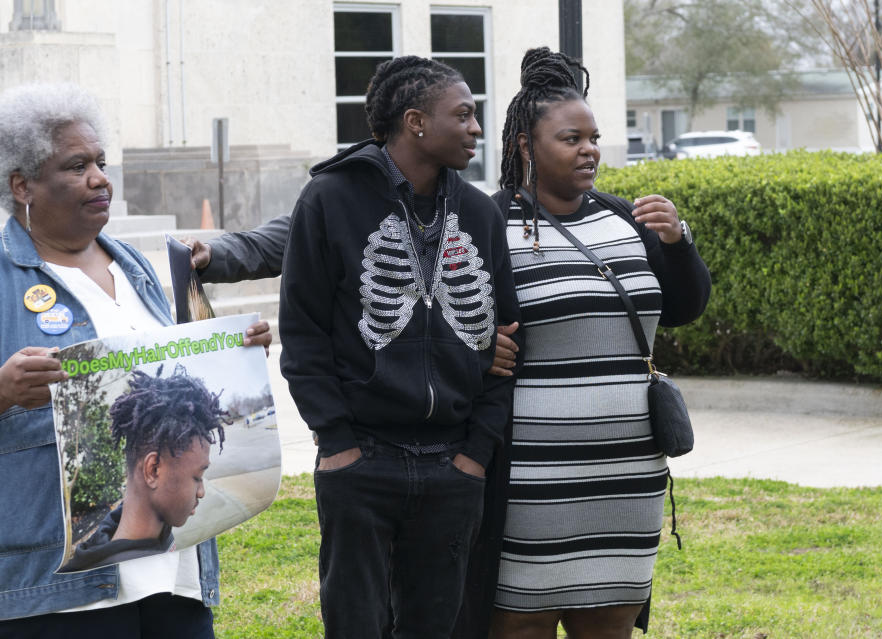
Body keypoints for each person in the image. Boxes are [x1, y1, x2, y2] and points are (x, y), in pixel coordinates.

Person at [0, 83, 270, 637]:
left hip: (174, 570)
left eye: (101, 161)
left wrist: (231, 349)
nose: (101, 178)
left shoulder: (138, 268)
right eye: (77, 166)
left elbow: (173, 381)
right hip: (63, 593)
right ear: (22, 184)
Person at [278, 56, 522, 639]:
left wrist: (476, 454)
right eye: (462, 115)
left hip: (453, 464)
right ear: (415, 121)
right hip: (362, 459)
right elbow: (303, 333)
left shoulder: (480, 213)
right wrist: (337, 443)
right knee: (355, 624)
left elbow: (508, 341)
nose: (476, 129)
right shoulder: (329, 200)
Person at [477, 48, 711, 639]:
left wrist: (679, 244)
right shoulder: (487, 225)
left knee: (609, 624)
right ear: (527, 147)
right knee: (520, 621)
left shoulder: (623, 220)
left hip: (627, 473)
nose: (590, 150)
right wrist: (479, 352)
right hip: (533, 478)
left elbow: (683, 309)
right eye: (570, 138)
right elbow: (456, 322)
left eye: (594, 137)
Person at [62, 366, 228, 573]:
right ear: (153, 470)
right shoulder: (120, 577)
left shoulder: (141, 533)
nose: (201, 492)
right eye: (198, 477)